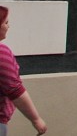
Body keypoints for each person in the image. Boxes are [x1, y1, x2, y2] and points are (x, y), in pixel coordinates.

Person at [0, 7, 46, 135]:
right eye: (6, 23)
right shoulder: (2, 53)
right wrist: (36, 119)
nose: (8, 26)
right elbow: (15, 90)